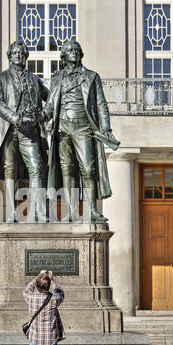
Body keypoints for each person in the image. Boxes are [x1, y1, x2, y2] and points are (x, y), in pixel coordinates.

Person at [41, 40, 120, 222]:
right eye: (70, 50)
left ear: (81, 54)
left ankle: (92, 209)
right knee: (66, 169)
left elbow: (101, 104)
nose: (74, 52)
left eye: (76, 50)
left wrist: (106, 128)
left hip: (83, 126)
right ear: (63, 56)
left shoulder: (92, 76)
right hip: (62, 127)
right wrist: (40, 118)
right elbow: (51, 103)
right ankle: (70, 211)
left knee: (87, 168)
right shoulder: (57, 78)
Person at [0, 40, 49, 222]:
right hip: (9, 129)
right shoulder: (0, 79)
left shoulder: (35, 79)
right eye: (14, 53)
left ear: (26, 56)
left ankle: (38, 211)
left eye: (21, 53)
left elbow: (52, 98)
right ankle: (12, 212)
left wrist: (43, 116)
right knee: (10, 170)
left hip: (30, 131)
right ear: (9, 56)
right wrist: (15, 118)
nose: (18, 56)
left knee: (37, 168)